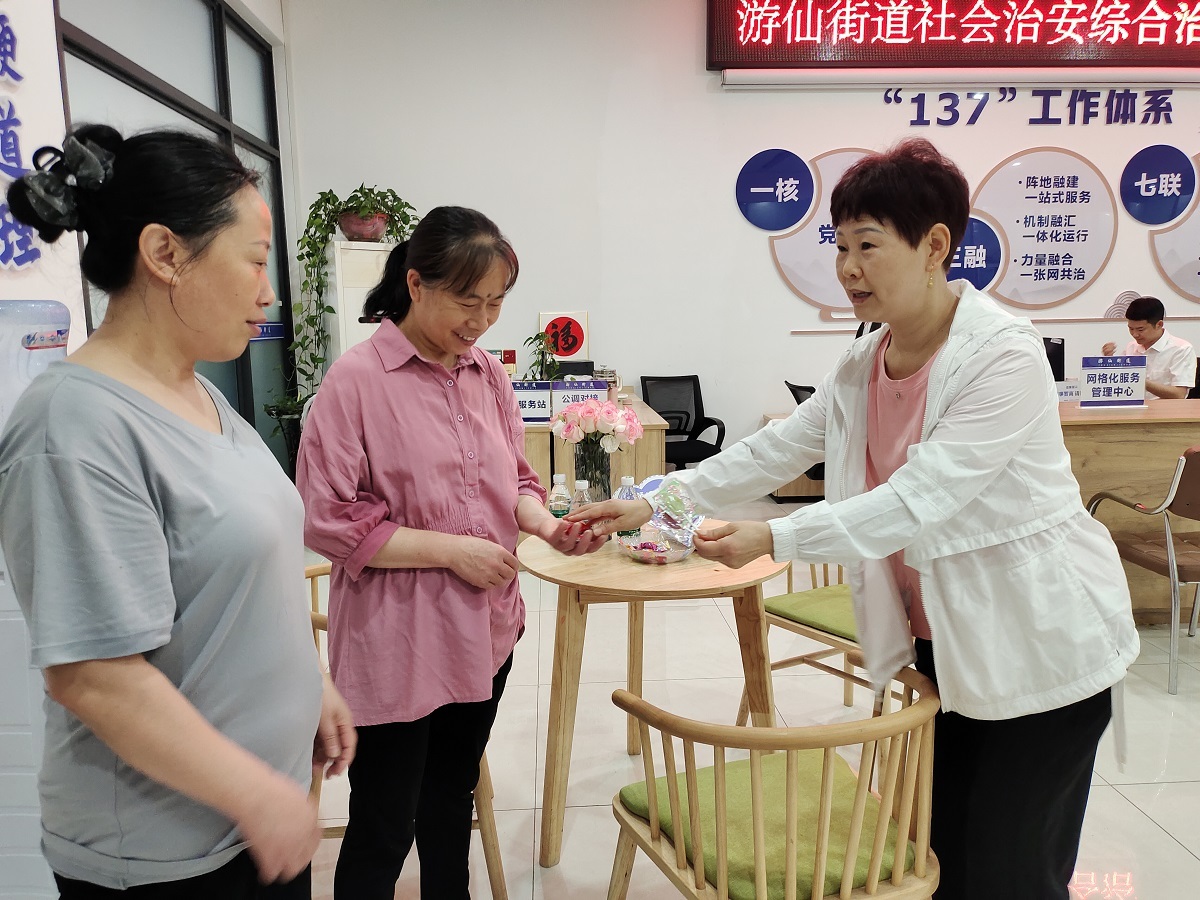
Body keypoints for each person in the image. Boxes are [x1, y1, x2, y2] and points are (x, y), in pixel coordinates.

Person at [576, 138, 1139, 900]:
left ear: (935, 246)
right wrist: (657, 501)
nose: (847, 268)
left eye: (867, 245)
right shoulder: (864, 360)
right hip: (948, 644)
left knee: (1009, 871)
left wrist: (775, 536)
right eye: (840, 246)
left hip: (1038, 648)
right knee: (934, 851)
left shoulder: (1001, 356)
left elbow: (917, 499)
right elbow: (775, 450)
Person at [0, 125, 356, 898]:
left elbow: (238, 580)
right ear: (164, 253)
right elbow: (94, 677)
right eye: (255, 261)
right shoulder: (73, 426)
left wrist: (309, 687)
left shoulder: (201, 394)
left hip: (252, 819)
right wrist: (256, 794)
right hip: (168, 856)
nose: (268, 292)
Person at [296, 206, 605, 900]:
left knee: (450, 797)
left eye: (496, 302)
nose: (482, 320)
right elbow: (327, 518)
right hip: (398, 637)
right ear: (415, 284)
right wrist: (452, 552)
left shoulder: (485, 374)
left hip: (484, 629)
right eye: (469, 301)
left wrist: (547, 526)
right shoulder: (356, 381)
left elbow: (514, 480)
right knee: (385, 820)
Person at [1101, 295, 1195, 399]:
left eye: (1140, 329)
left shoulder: (1181, 349)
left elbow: (1179, 394)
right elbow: (1119, 381)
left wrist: (1138, 379)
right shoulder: (1132, 347)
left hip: (1166, 408)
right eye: (1131, 329)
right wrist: (1109, 361)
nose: (1135, 334)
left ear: (1159, 324)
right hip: (1133, 407)